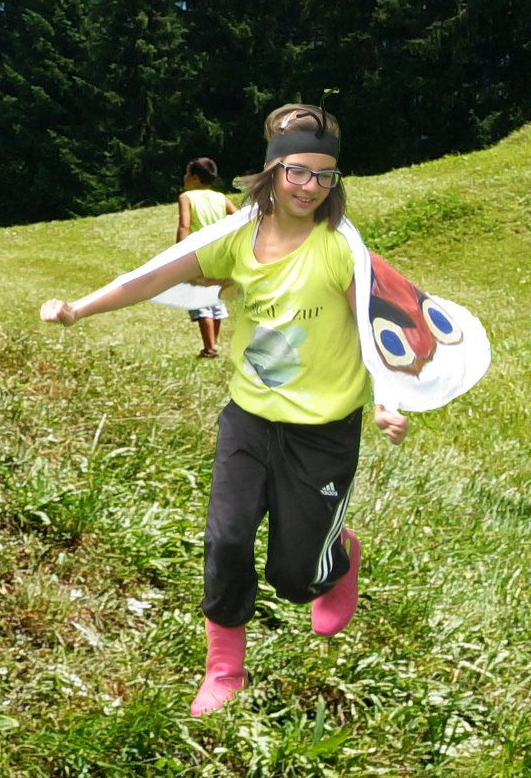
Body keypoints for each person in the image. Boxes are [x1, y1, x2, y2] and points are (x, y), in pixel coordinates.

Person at [40, 120, 405, 716]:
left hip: (324, 430)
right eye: (296, 171)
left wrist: (388, 397)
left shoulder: (341, 247)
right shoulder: (239, 237)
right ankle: (224, 670)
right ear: (272, 173)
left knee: (294, 577)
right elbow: (159, 272)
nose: (309, 186)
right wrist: (79, 309)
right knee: (227, 539)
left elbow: (376, 326)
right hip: (250, 418)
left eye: (323, 175)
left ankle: (334, 559)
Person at [175, 156, 231, 358]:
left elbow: (184, 225)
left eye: (187, 173)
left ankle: (209, 349)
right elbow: (239, 216)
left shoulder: (186, 197)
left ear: (195, 178)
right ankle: (213, 344)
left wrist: (178, 252)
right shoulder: (220, 198)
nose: (184, 177)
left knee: (201, 302)